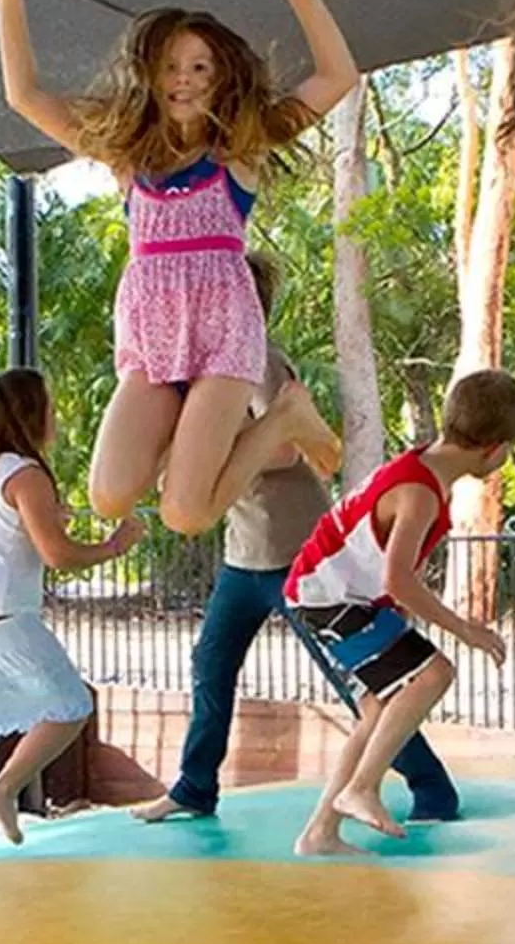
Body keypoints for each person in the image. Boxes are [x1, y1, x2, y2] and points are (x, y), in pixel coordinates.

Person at [0, 0, 351, 536]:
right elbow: (26, 95)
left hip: (222, 335)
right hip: (152, 343)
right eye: (172, 66)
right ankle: (197, 433)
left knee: (186, 513)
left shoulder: (239, 151)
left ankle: (283, 417)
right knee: (108, 497)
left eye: (200, 67)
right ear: (150, 76)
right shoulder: (127, 158)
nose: (184, 79)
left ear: (222, 77)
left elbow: (337, 77)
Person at [133, 256, 462, 823]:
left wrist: (213, 455)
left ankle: (431, 788)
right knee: (211, 665)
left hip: (297, 555)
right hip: (244, 556)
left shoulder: (260, 362)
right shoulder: (199, 377)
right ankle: (194, 787)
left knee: (352, 677)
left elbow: (287, 448)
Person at [283, 370, 515, 856]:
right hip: (327, 598)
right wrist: (466, 629)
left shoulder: (424, 467)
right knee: (434, 674)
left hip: (330, 594)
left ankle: (320, 832)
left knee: (377, 709)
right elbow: (399, 580)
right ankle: (362, 788)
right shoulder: (419, 493)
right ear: (496, 450)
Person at [0, 369, 143, 860]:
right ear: (30, 413)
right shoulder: (25, 474)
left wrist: (47, 519)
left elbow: (3, 534)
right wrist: (114, 546)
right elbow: (57, 554)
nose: (55, 415)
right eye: (49, 405)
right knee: (71, 706)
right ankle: (4, 789)